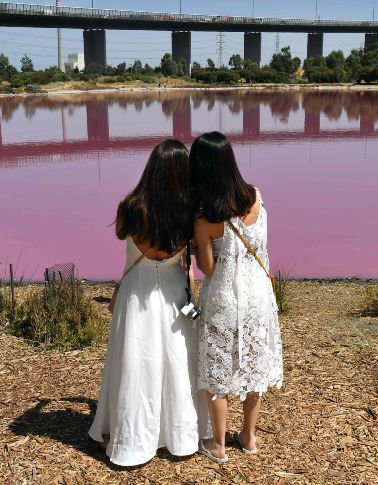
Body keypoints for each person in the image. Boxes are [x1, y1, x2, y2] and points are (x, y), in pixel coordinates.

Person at [88, 139, 211, 467]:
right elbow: (193, 261)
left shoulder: (130, 207)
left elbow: (120, 236)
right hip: (173, 298)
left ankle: (130, 436)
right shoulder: (189, 213)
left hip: (136, 295)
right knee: (177, 364)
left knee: (135, 365)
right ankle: (179, 436)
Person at [189, 131, 283, 464]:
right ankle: (249, 436)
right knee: (253, 366)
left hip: (224, 299)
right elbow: (263, 246)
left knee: (219, 373)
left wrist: (197, 248)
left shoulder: (205, 217)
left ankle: (218, 443)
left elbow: (208, 268)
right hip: (259, 295)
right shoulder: (255, 197)